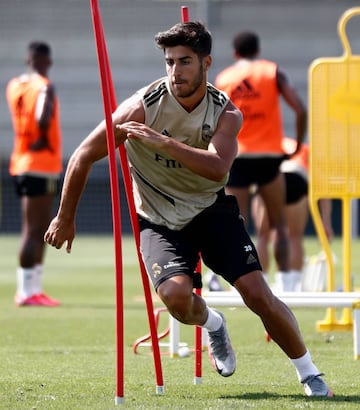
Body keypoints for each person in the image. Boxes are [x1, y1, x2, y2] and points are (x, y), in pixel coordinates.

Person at [44, 22, 332, 396]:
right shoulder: (140, 108)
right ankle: (214, 324)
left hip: (211, 211)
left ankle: (309, 373)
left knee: (258, 293)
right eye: (169, 62)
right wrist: (65, 216)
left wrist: (162, 143)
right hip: (158, 220)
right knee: (178, 299)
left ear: (206, 63)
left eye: (185, 62)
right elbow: (83, 154)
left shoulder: (226, 113)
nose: (175, 72)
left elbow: (217, 167)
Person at [215, 31, 307, 292]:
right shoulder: (272, 72)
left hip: (238, 155)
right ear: (258, 49)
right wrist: (297, 145)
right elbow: (300, 109)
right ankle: (287, 284)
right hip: (269, 156)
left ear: (235, 53)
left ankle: (240, 283)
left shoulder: (225, 78)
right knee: (279, 223)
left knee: (237, 224)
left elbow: (214, 118)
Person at [6, 41, 62, 307]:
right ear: (46, 61)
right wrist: (43, 138)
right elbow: (42, 114)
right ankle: (27, 292)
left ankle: (33, 289)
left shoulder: (15, 85)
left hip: (20, 160)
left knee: (34, 228)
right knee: (35, 229)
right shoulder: (44, 86)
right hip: (40, 162)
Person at [250, 137, 334, 291]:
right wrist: (326, 222)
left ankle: (261, 284)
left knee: (263, 236)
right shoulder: (303, 148)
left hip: (271, 177)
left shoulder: (267, 142)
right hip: (296, 177)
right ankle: (290, 286)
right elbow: (323, 188)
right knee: (294, 236)